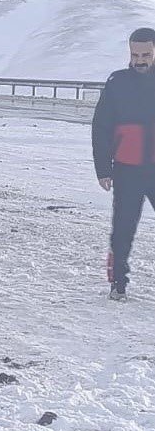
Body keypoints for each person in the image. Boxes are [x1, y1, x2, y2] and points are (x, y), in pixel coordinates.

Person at [91, 26, 155, 300]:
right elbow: (101, 127)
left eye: (145, 54)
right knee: (123, 228)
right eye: (134, 54)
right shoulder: (117, 82)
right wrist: (103, 168)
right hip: (127, 168)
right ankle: (118, 283)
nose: (139, 60)